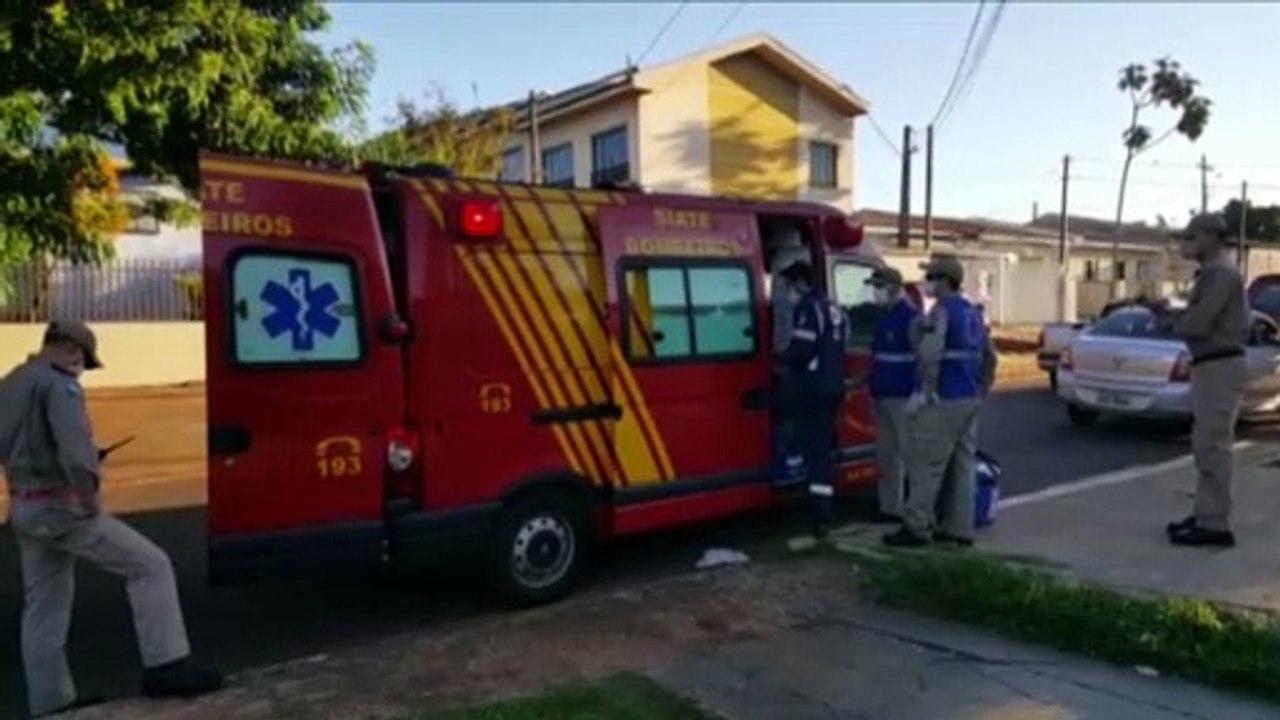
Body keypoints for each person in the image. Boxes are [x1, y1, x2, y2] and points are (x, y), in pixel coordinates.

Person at [1, 320, 223, 718]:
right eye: (84, 359)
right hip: (62, 507)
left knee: (44, 607)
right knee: (150, 565)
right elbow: (75, 455)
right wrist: (89, 498)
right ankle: (166, 666)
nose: (82, 368)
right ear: (71, 348)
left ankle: (51, 703)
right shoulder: (61, 386)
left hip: (24, 505)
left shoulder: (13, 382)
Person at [884, 256, 993, 548]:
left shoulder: (942, 312)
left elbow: (930, 353)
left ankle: (917, 526)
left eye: (930, 277)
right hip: (969, 397)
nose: (926, 283)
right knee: (963, 465)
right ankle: (959, 529)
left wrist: (926, 389)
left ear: (945, 281)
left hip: (946, 397)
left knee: (926, 463)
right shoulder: (972, 312)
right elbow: (990, 357)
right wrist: (982, 390)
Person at [1161, 212, 1250, 548]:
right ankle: (1204, 513)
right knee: (1204, 445)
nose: (1186, 244)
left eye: (1191, 237)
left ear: (1211, 237)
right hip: (1210, 364)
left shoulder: (1220, 274)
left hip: (1219, 364)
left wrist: (1176, 322)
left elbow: (1198, 324)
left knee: (1213, 446)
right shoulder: (1213, 274)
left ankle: (1215, 523)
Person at [780, 259, 849, 538]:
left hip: (813, 388)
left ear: (799, 282)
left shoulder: (808, 308)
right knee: (820, 446)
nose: (786, 291)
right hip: (833, 385)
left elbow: (802, 349)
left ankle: (821, 514)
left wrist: (779, 359)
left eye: (787, 285)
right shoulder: (834, 308)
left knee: (815, 449)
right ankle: (821, 503)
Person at [863, 267, 921, 522]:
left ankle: (915, 509)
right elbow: (878, 358)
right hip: (882, 394)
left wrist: (918, 392)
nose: (875, 292)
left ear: (894, 288)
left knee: (908, 455)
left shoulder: (911, 318)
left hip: (903, 397)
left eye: (879, 287)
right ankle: (890, 508)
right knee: (886, 456)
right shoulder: (883, 318)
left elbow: (923, 359)